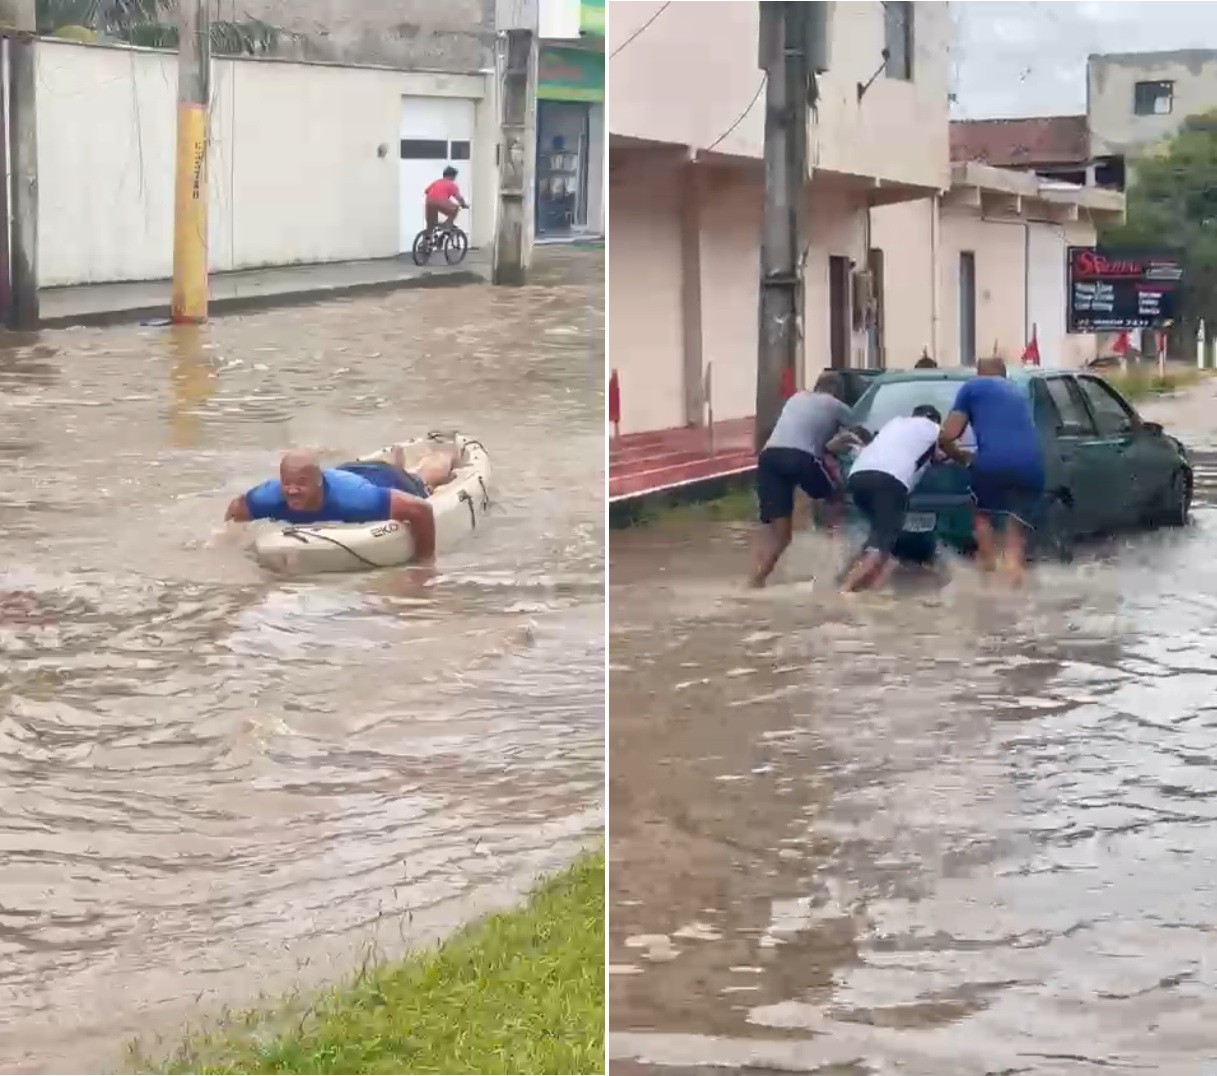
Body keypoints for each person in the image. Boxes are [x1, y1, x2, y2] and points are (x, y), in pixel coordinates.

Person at [224, 446, 460, 561]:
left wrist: (425, 563)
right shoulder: (268, 496)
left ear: (318, 482)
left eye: (301, 484)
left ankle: (446, 454)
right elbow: (236, 510)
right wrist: (229, 541)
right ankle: (395, 459)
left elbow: (420, 509)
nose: (292, 491)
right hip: (349, 472)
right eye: (287, 483)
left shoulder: (355, 500)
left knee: (422, 480)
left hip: (380, 479)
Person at [938, 356, 1045, 587]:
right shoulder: (1019, 391)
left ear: (978, 372)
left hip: (992, 463)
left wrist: (961, 458)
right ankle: (1014, 583)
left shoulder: (972, 387)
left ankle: (986, 578)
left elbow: (947, 435)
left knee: (982, 517)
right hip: (1032, 467)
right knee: (1014, 536)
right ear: (1004, 375)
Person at [840, 405, 969, 594]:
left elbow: (928, 456)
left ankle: (852, 579)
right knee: (882, 547)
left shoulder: (894, 424)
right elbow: (948, 445)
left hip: (857, 478)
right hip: (889, 483)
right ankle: (846, 591)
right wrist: (966, 461)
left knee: (876, 538)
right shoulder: (932, 428)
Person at [749, 371, 855, 588]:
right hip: (800, 457)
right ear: (838, 392)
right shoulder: (835, 405)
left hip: (769, 458)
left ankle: (755, 581)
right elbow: (861, 426)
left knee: (778, 532)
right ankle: (833, 545)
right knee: (835, 495)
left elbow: (804, 430)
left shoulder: (796, 398)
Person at [424, 166, 468, 234]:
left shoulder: (436, 182)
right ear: (452, 176)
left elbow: (426, 191)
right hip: (441, 201)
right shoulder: (452, 184)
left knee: (431, 224)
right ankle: (447, 226)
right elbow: (459, 198)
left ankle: (425, 242)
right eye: (454, 176)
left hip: (429, 202)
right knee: (455, 208)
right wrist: (464, 205)